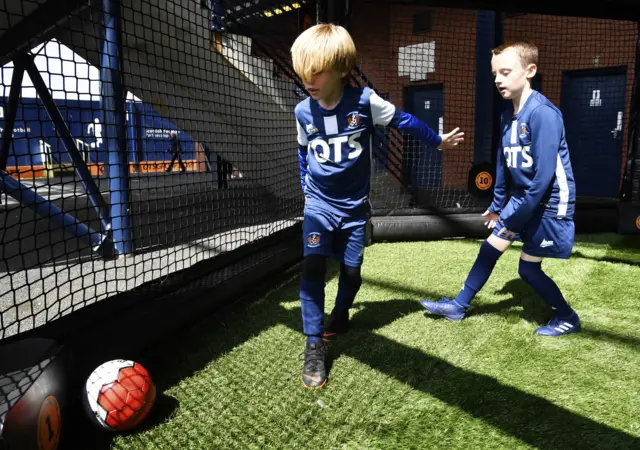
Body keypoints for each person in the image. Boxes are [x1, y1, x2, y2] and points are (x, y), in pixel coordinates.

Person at [291, 23, 465, 389]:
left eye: (316, 70)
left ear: (341, 68)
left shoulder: (366, 101)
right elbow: (304, 150)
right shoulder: (303, 111)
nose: (309, 79)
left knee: (352, 273)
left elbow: (407, 120)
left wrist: (437, 143)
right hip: (319, 206)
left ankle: (340, 316)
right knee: (313, 267)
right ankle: (313, 344)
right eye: (303, 70)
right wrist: (307, 186)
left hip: (355, 210)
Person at [420, 40, 580, 338]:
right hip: (524, 198)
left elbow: (544, 177)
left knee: (528, 271)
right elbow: (503, 162)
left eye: (505, 72)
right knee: (489, 248)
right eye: (495, 73)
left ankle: (568, 317)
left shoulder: (544, 114)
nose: (498, 80)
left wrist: (515, 217)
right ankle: (459, 305)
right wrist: (497, 205)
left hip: (549, 202)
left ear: (530, 70)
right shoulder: (509, 115)